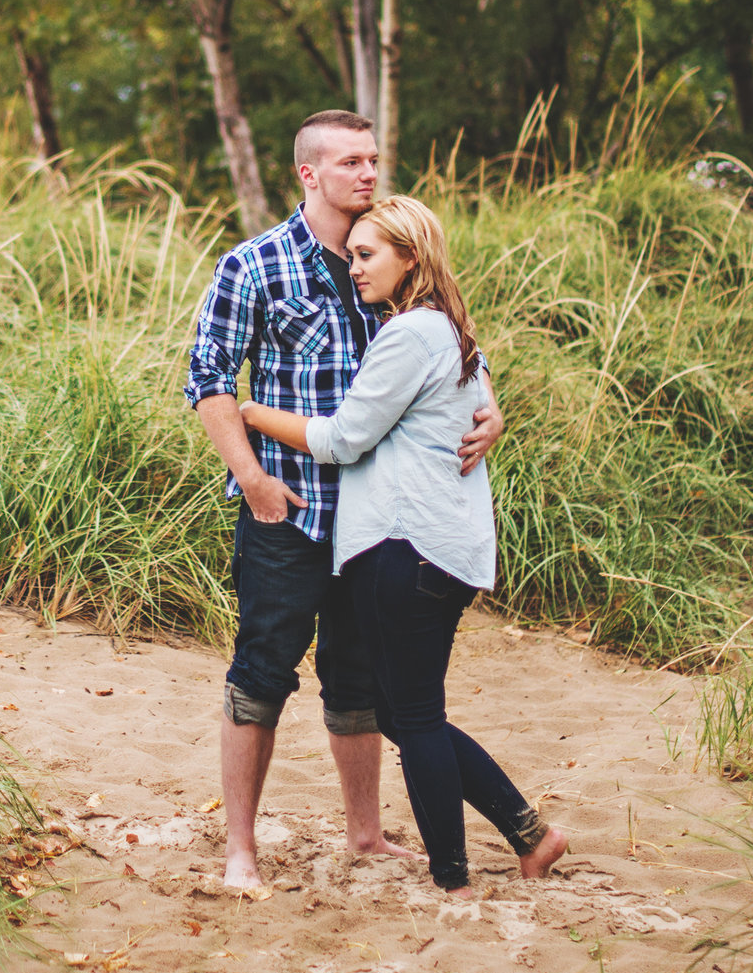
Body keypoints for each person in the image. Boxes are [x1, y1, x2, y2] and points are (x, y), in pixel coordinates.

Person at [186, 111, 504, 890]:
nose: (368, 174)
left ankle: (365, 833)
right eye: (351, 162)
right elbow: (208, 379)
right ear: (309, 173)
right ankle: (241, 849)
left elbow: (454, 345)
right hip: (289, 509)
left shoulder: (389, 253)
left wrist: (492, 406)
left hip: (375, 522)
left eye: (372, 159)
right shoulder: (255, 265)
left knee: (358, 681)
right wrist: (254, 479)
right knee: (260, 671)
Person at [240, 196, 568, 896]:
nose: (354, 267)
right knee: (403, 711)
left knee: (413, 714)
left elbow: (343, 439)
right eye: (352, 254)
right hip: (438, 547)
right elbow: (473, 405)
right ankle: (532, 836)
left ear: (410, 257)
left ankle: (453, 876)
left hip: (407, 544)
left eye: (367, 255)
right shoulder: (448, 330)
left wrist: (249, 411)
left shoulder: (409, 333)